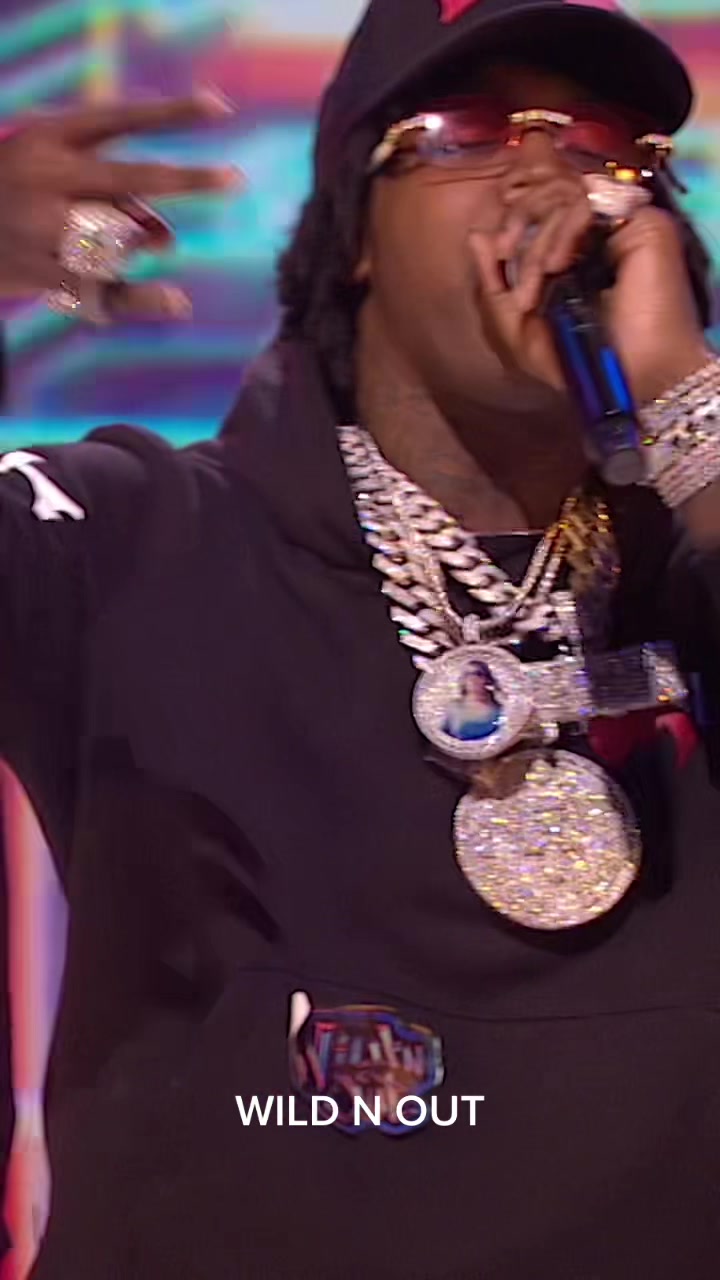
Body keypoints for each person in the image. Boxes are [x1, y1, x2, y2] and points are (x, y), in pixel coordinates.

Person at [1, 0, 720, 1275]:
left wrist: (682, 395)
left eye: (606, 142)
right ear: (354, 239)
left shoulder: (692, 568)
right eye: (470, 132)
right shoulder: (137, 536)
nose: (548, 177)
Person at [443, 660, 502, 742]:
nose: (472, 678)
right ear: (462, 680)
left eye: (478, 674)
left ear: (487, 679)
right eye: (467, 674)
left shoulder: (499, 710)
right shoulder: (453, 707)